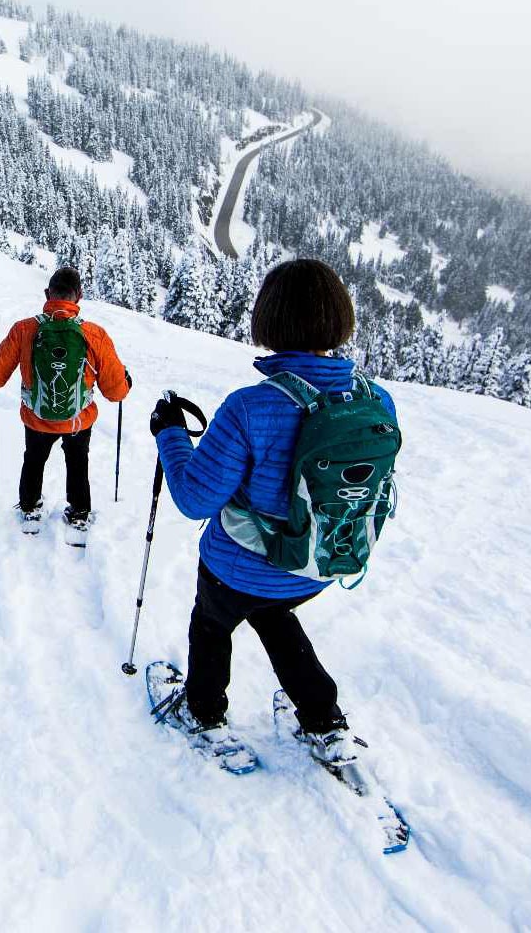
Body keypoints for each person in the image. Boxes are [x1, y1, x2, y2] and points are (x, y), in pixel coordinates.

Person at [149, 258, 397, 763]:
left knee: (213, 626)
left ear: (269, 320)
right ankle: (323, 720)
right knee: (276, 617)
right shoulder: (377, 401)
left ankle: (204, 713)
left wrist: (170, 433)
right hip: (316, 565)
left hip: (235, 570)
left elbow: (195, 498)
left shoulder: (250, 407)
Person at [0, 267, 131, 533]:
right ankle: (79, 512)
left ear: (47, 293)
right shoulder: (95, 335)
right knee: (78, 461)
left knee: (34, 458)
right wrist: (125, 383)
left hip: (36, 418)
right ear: (78, 296)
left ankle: (30, 507)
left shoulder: (24, 330)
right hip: (78, 420)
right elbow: (115, 392)